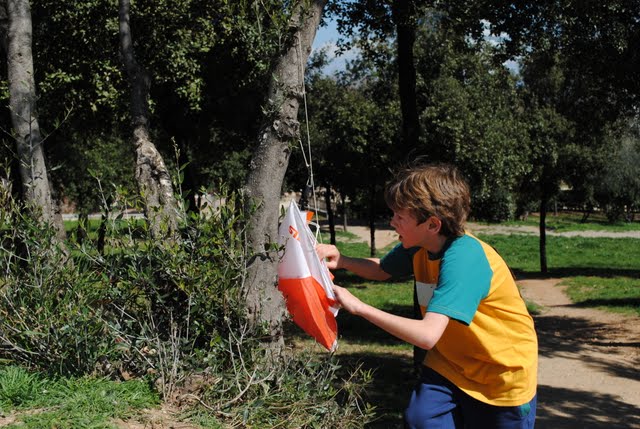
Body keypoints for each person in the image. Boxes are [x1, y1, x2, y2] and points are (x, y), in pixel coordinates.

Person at [316, 163, 537, 429]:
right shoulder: (420, 244)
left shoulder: (464, 259)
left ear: (432, 224)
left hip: (500, 379)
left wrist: (360, 307)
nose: (392, 221)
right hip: (451, 365)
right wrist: (343, 260)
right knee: (421, 420)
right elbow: (383, 269)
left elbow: (427, 335)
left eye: (400, 216)